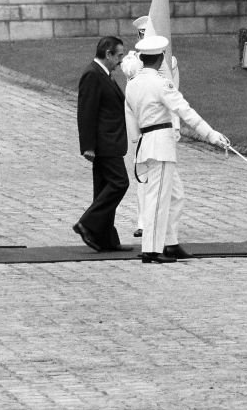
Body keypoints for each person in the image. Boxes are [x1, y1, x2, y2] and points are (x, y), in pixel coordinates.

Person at [124, 35, 230, 263]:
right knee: (157, 199)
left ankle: (170, 243)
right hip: (160, 145)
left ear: (142, 59)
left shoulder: (132, 83)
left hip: (146, 143)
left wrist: (135, 140)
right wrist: (211, 134)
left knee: (175, 196)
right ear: (160, 57)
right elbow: (184, 110)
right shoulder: (160, 83)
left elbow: (129, 116)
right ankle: (151, 250)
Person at [120, 15, 181, 239]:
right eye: (142, 36)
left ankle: (162, 222)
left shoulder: (170, 62)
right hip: (140, 126)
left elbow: (173, 95)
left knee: (167, 179)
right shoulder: (132, 60)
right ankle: (143, 222)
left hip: (161, 126)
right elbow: (130, 70)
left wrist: (175, 126)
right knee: (143, 176)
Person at [74, 36, 133, 252]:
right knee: (119, 183)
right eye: (119, 55)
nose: (121, 60)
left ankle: (104, 238)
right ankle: (87, 223)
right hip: (104, 143)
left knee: (102, 189)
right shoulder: (92, 74)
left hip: (110, 141)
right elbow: (86, 112)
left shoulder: (104, 73)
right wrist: (88, 146)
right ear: (108, 54)